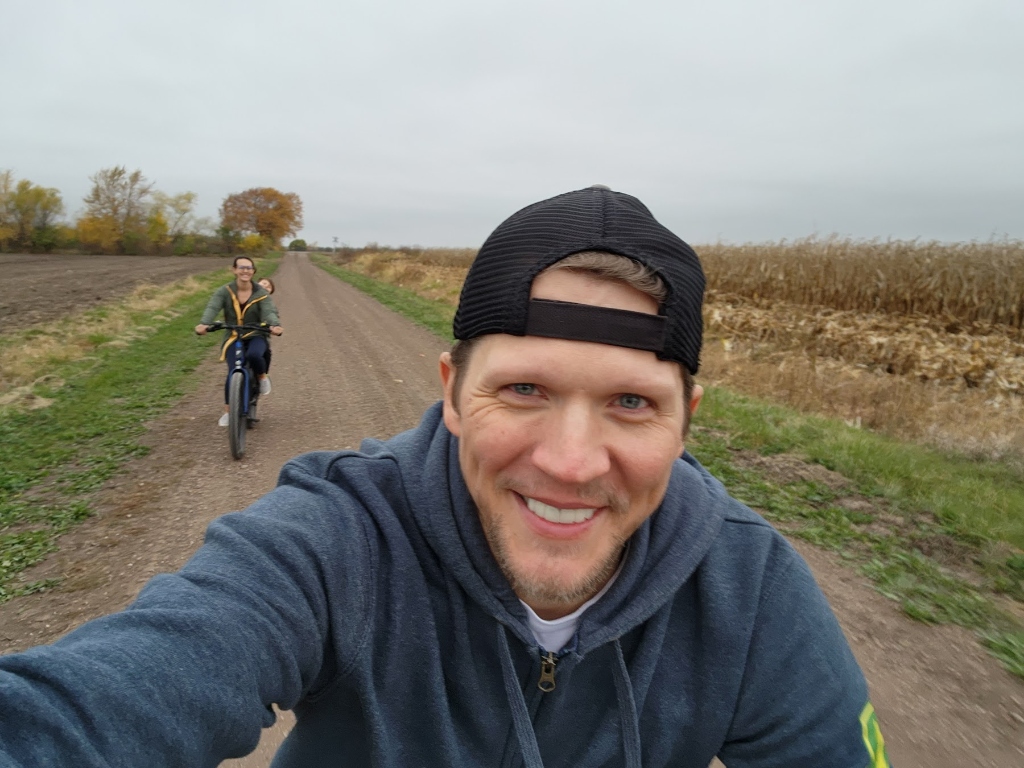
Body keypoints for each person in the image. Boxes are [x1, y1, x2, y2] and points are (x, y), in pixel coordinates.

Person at [0, 187, 890, 767]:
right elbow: (101, 704)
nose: (571, 463)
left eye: (630, 403)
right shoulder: (334, 539)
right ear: (453, 393)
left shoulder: (748, 582)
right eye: (525, 389)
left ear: (687, 420)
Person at [195, 256, 283, 426]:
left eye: (249, 268)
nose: (245, 270)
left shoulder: (261, 293)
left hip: (256, 334)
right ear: (234, 270)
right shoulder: (224, 291)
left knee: (254, 355)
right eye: (241, 267)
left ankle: (262, 377)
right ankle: (229, 411)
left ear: (253, 271)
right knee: (233, 370)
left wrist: (274, 325)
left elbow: (269, 311)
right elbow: (213, 307)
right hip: (233, 336)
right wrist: (204, 323)